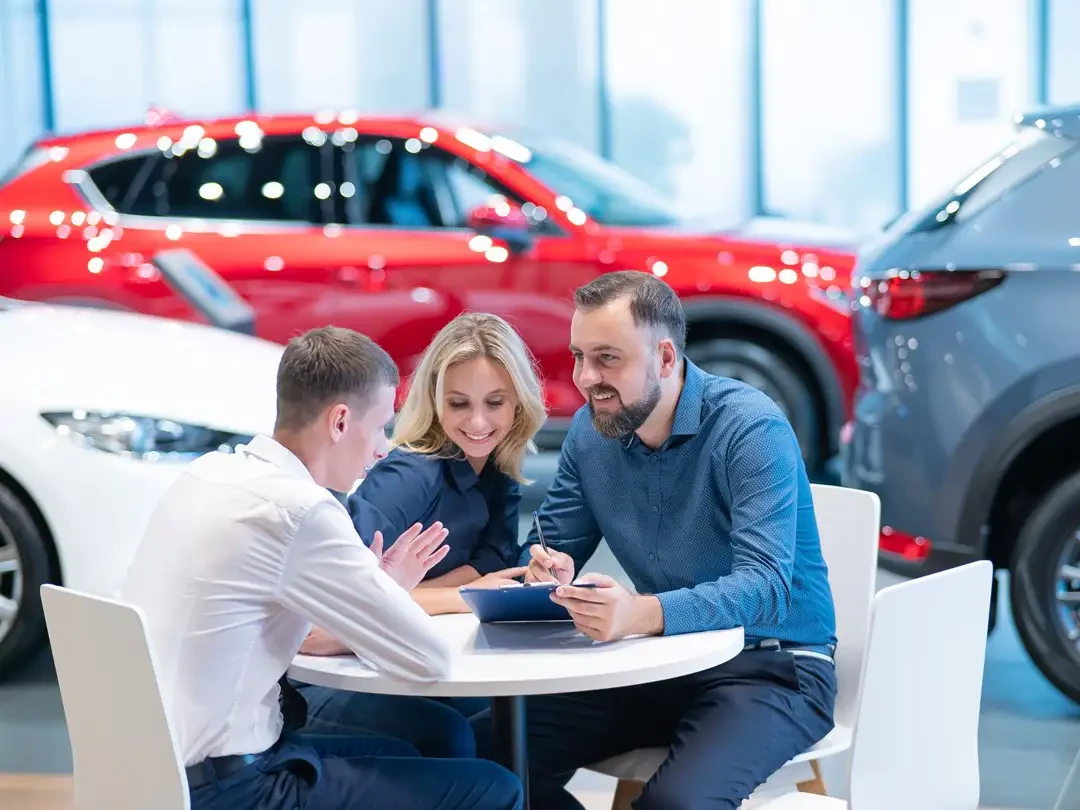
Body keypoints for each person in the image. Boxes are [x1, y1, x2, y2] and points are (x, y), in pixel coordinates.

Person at [472, 271, 838, 810]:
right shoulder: (590, 432)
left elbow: (767, 589)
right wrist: (543, 569)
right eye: (578, 356)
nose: (586, 377)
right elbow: (550, 544)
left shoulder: (749, 427)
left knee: (677, 805)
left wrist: (638, 615)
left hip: (772, 667)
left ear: (665, 358)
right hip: (660, 661)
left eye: (607, 358)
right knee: (481, 753)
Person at [120, 326, 523, 810]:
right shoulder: (302, 511)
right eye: (378, 428)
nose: (380, 450)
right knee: (496, 788)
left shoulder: (210, 475)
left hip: (160, 771)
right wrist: (384, 590)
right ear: (339, 422)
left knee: (416, 747)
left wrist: (381, 586)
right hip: (235, 789)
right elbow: (428, 659)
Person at [295, 312, 547, 726]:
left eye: (495, 403)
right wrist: (460, 594)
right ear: (434, 399)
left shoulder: (498, 470)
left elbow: (491, 571)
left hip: (410, 661)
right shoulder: (411, 475)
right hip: (341, 679)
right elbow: (334, 611)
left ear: (518, 402)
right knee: (467, 728)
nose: (478, 422)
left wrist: (416, 592)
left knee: (520, 720)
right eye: (459, 403)